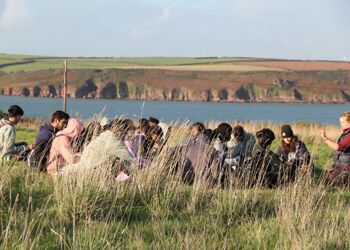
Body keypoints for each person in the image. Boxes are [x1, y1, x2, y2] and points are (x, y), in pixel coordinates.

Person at [320, 112, 350, 186]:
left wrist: (325, 139)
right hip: (340, 166)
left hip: (346, 168)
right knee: (324, 182)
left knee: (330, 184)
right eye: (340, 122)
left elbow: (338, 147)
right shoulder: (345, 134)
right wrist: (334, 165)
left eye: (343, 122)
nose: (341, 124)